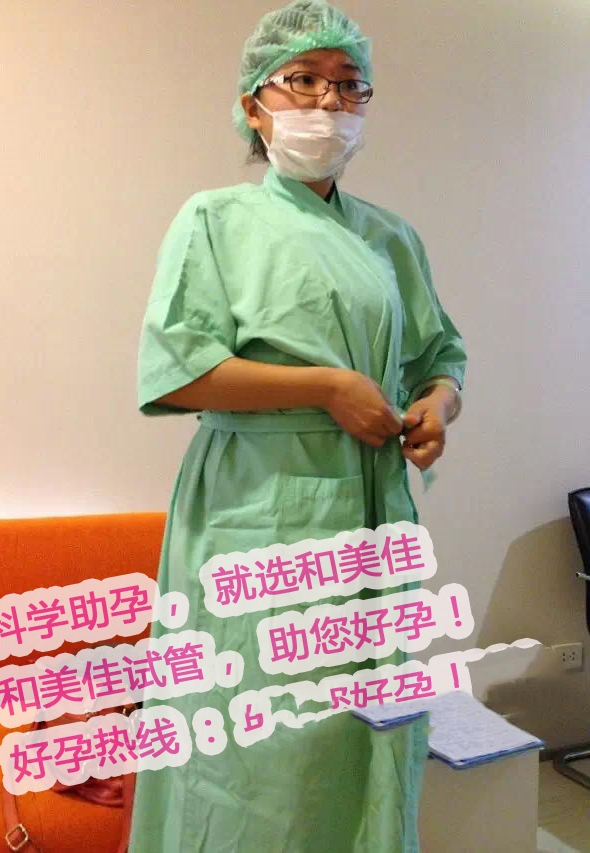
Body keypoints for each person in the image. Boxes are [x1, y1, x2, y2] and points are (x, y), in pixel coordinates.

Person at [129, 1, 467, 851]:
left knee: (366, 737)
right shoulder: (216, 220)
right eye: (303, 80)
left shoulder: (390, 236)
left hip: (373, 520)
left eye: (349, 86)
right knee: (261, 753)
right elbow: (179, 368)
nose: (327, 102)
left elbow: (441, 355)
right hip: (258, 517)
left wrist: (435, 407)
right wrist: (326, 387)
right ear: (255, 104)